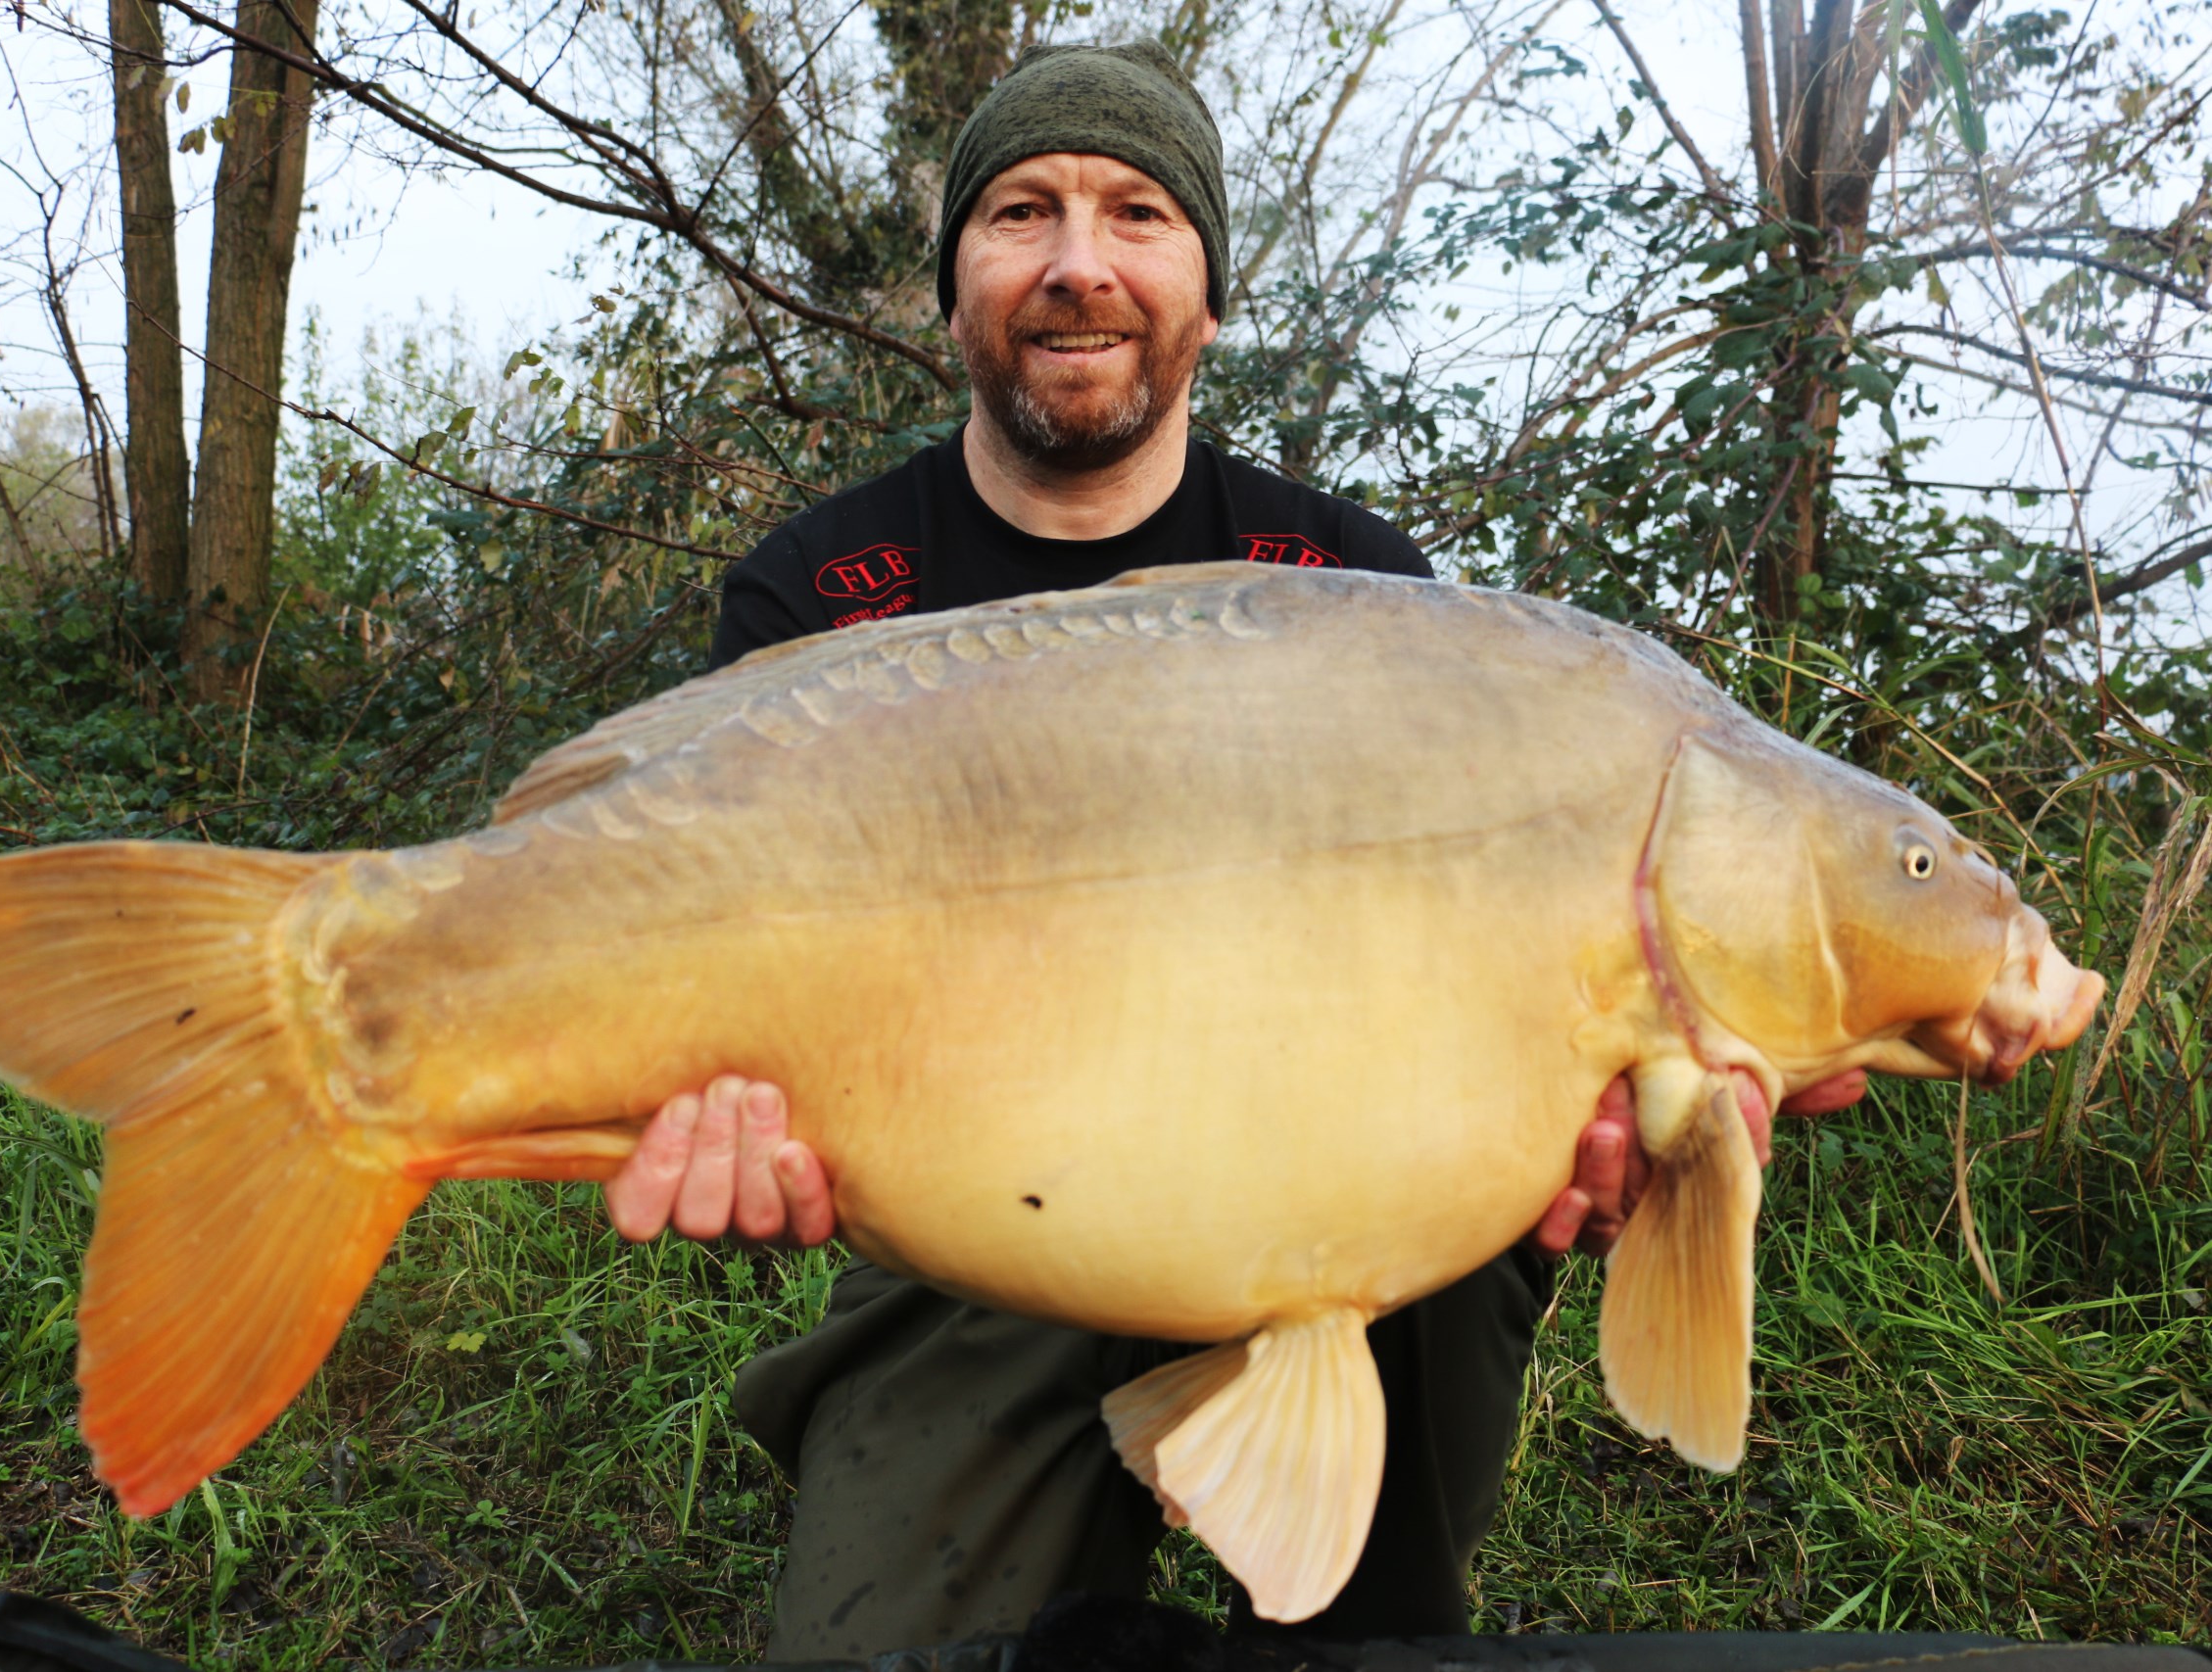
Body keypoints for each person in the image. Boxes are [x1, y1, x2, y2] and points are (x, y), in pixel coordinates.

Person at [600, 41, 1867, 1661]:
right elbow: (725, 990)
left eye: (1138, 215)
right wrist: (723, 1119)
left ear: (1209, 293)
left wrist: (1621, 1114)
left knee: (1446, 1292)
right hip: (981, 1230)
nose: (1078, 263)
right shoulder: (824, 592)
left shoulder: (1356, 586)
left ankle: (1357, 1609)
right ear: (954, 280)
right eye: (1021, 212)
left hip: (1358, 1199)